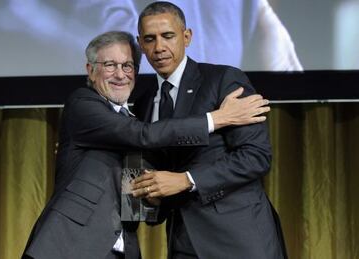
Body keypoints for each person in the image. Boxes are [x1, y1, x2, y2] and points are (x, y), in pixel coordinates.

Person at [22, 30, 270, 259]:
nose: (120, 74)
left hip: (120, 248)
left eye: (128, 65)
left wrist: (154, 197)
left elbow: (135, 202)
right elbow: (142, 135)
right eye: (109, 65)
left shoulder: (133, 117)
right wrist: (216, 118)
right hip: (71, 246)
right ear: (90, 70)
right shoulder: (83, 104)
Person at [131, 2, 287, 258]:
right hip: (182, 242)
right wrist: (153, 199)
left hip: (239, 238)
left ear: (187, 36)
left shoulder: (224, 81)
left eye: (168, 36)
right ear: (141, 44)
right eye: (150, 39)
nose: (159, 47)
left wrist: (186, 180)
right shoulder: (144, 102)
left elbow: (256, 157)